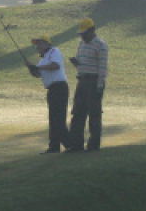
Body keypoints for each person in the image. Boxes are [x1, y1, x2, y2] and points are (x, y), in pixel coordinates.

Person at [27, 36, 74, 153]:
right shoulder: (42, 60)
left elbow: (55, 65)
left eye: (39, 44)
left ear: (46, 44)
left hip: (59, 87)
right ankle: (54, 146)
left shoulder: (54, 51)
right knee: (53, 119)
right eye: (36, 45)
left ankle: (70, 145)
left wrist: (37, 67)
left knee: (58, 118)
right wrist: (31, 68)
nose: (37, 47)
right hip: (52, 89)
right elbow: (38, 75)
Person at [68, 18, 108, 151]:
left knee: (94, 114)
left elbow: (102, 69)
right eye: (81, 34)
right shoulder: (82, 44)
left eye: (85, 33)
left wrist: (100, 87)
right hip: (81, 81)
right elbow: (82, 63)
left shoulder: (100, 45)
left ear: (92, 30)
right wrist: (76, 64)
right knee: (77, 113)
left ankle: (93, 145)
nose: (83, 36)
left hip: (93, 82)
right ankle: (76, 144)